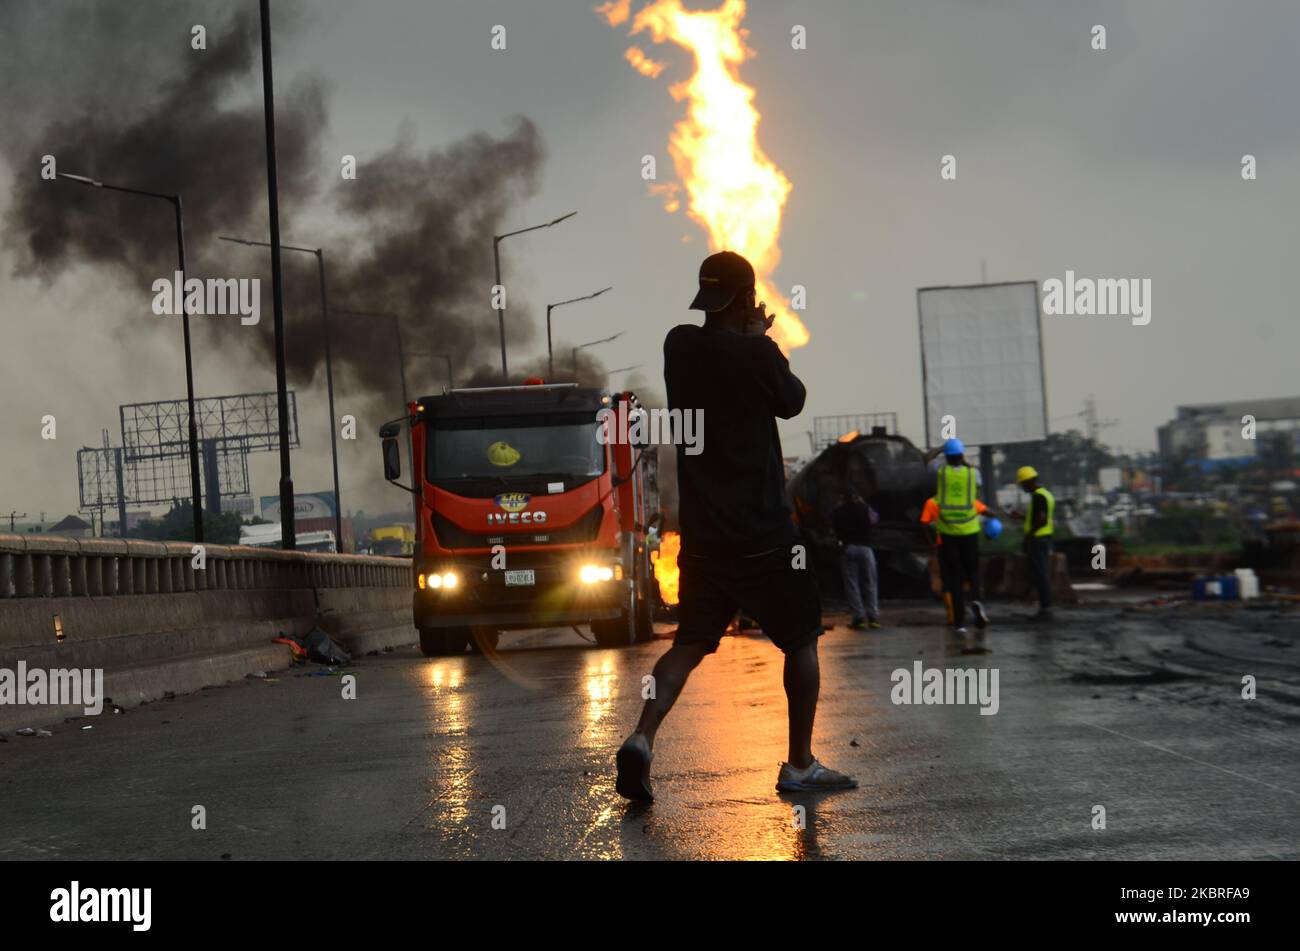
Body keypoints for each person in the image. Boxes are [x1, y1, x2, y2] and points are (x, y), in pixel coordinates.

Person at [615, 251, 857, 801]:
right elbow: (792, 401)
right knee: (800, 641)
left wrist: (747, 339)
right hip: (764, 536)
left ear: (705, 297)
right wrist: (762, 341)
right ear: (747, 299)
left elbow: (711, 351)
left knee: (689, 644)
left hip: (704, 539)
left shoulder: (678, 345)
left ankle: (642, 738)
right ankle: (799, 764)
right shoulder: (757, 354)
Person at [919, 438, 991, 637]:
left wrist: (941, 448)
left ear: (947, 456)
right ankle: (976, 601)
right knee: (973, 573)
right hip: (970, 530)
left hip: (949, 533)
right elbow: (977, 489)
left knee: (954, 578)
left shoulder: (941, 472)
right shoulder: (973, 473)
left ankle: (959, 621)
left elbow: (926, 459)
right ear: (962, 455)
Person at [831, 490, 881, 630]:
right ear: (857, 496)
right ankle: (873, 617)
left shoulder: (838, 511)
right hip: (865, 548)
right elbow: (875, 519)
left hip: (848, 549)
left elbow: (833, 526)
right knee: (869, 582)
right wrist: (863, 504)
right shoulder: (864, 508)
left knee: (852, 584)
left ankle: (858, 618)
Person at [1013, 465, 1055, 620]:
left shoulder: (1038, 496)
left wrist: (1028, 537)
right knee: (1040, 573)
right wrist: (1022, 518)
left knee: (1041, 574)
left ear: (1029, 481)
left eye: (1023, 484)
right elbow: (1038, 518)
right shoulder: (1045, 494)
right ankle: (1044, 606)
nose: (1023, 487)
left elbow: (1041, 520)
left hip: (1038, 539)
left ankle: (1045, 608)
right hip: (1044, 538)